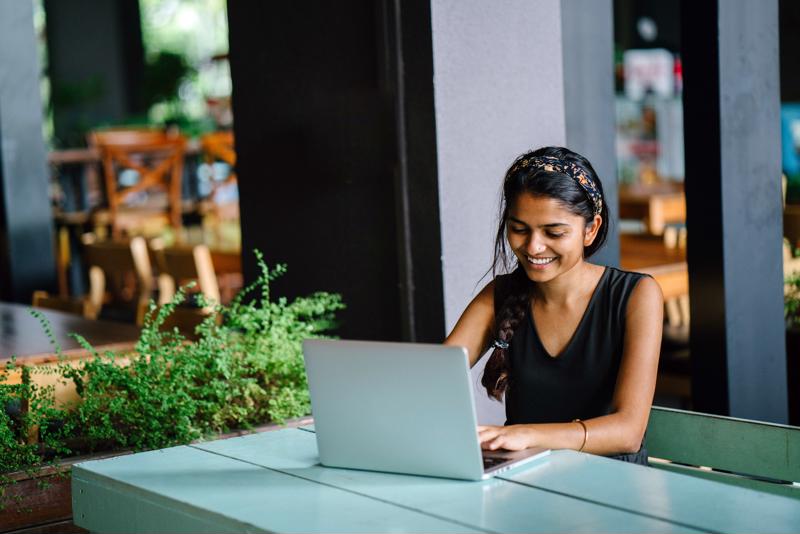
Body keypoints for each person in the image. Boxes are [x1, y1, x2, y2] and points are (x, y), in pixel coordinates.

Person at [445, 146, 663, 464]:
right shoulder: (500, 295)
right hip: (526, 479)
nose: (533, 247)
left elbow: (627, 433)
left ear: (591, 229)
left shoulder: (636, 295)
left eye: (554, 232)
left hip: (613, 484)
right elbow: (434, 379)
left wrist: (528, 434)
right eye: (519, 229)